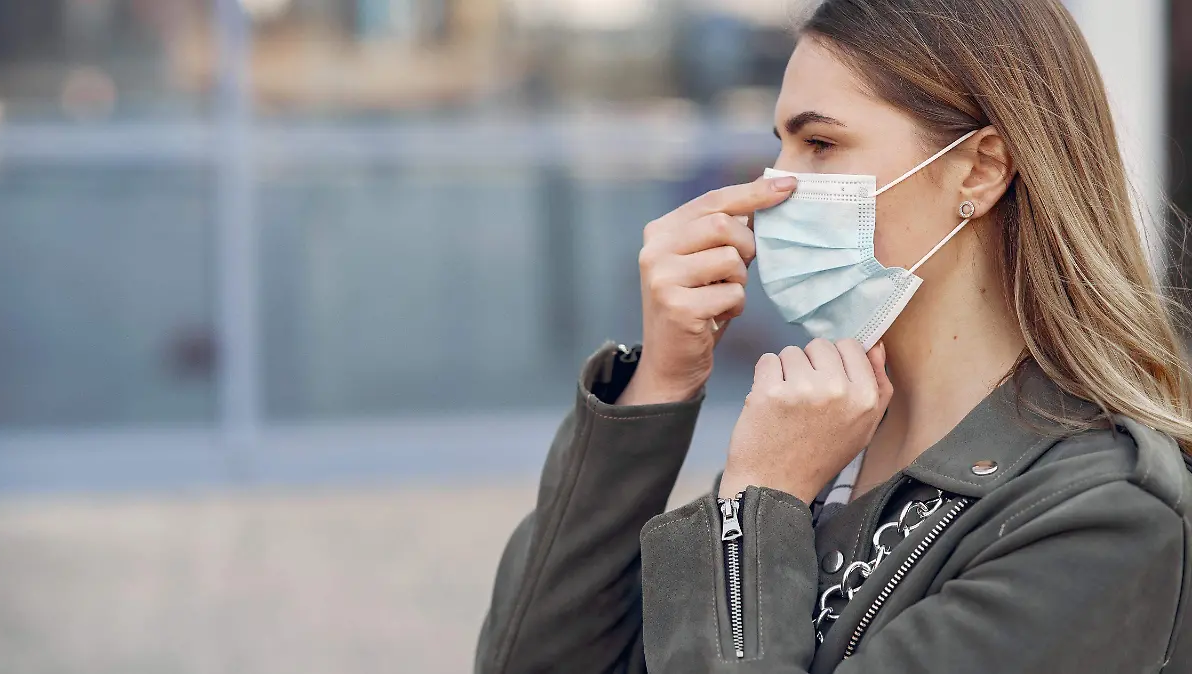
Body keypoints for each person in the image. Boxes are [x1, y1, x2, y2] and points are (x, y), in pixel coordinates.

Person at [475, 0, 1192, 672]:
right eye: (781, 144)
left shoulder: (1104, 518)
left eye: (820, 142)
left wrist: (753, 511)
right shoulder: (820, 441)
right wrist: (660, 383)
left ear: (981, 168)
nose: (777, 185)